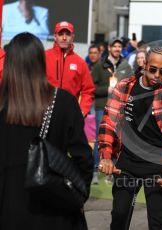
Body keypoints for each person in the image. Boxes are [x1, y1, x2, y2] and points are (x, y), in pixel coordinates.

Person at [0, 32, 93, 229]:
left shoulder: (3, 103)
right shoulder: (64, 101)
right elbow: (83, 158)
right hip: (55, 204)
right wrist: (78, 195)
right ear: (41, 62)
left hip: (9, 206)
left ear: (10, 64)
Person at [98, 47, 162, 230]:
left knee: (158, 222)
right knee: (119, 216)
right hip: (127, 163)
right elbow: (108, 123)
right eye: (152, 69)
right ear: (144, 65)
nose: (157, 75)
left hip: (157, 165)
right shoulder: (124, 87)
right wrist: (106, 156)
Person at [91, 37, 133, 184]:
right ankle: (96, 170)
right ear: (109, 48)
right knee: (100, 139)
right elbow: (91, 88)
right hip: (102, 107)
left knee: (117, 140)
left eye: (119, 47)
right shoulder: (100, 65)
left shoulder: (126, 66)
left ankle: (112, 172)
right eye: (114, 46)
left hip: (119, 109)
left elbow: (130, 87)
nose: (117, 49)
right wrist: (106, 89)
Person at [45, 21, 95, 116]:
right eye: (61, 34)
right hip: (44, 113)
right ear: (55, 36)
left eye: (68, 34)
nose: (64, 38)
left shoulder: (80, 63)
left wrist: (82, 112)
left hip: (69, 115)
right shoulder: (44, 57)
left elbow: (88, 91)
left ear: (72, 37)